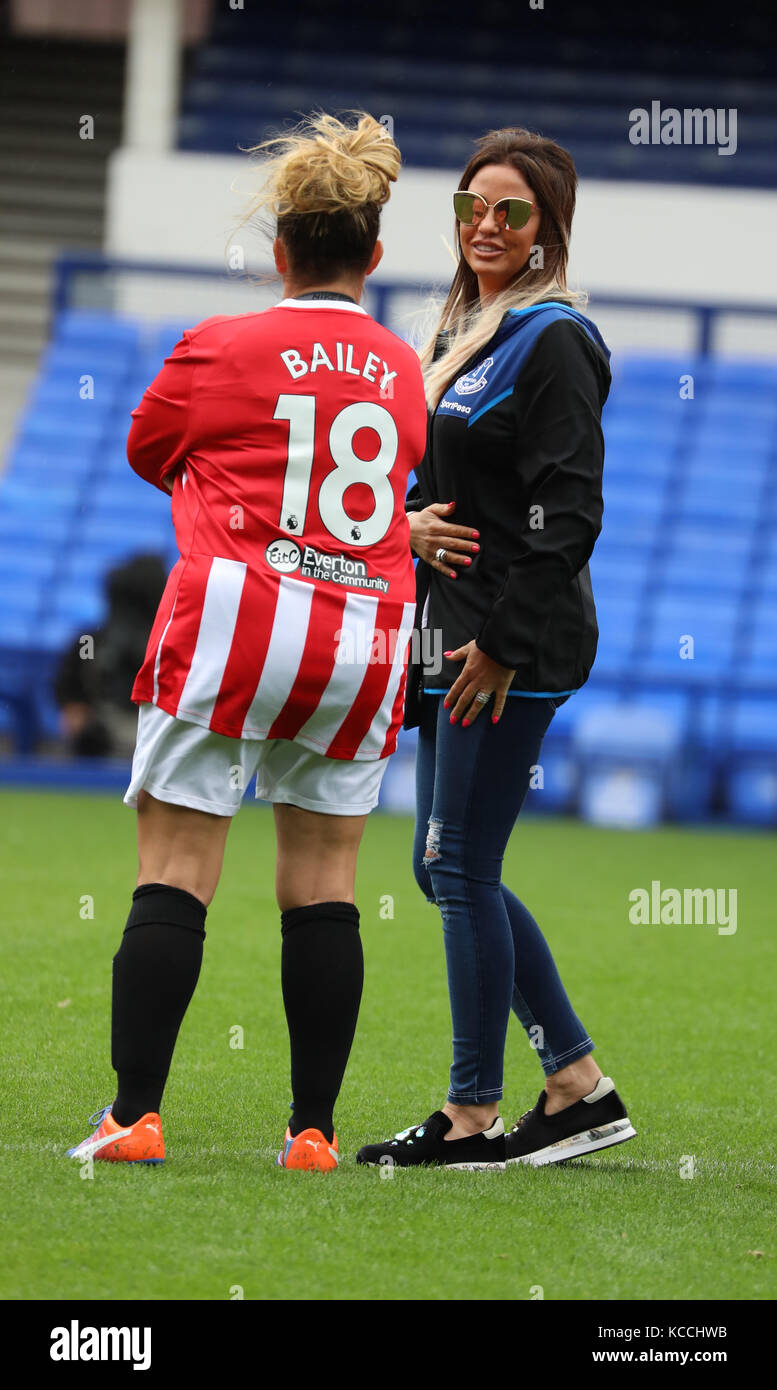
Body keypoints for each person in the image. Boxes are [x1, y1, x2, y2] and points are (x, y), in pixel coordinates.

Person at [67, 112, 427, 1172]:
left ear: (281, 250)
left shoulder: (221, 343)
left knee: (177, 867)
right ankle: (311, 1132)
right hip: (363, 634)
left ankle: (136, 1116)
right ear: (372, 253)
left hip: (237, 624)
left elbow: (149, 449)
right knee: (323, 883)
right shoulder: (403, 368)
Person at [357, 127, 635, 1170]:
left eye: (510, 211)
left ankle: (473, 1117)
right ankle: (574, 1084)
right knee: (446, 869)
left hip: (508, 643)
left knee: (455, 864)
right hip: (454, 629)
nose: (485, 224)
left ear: (548, 227)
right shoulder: (468, 326)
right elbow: (440, 484)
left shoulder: (555, 338)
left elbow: (571, 512)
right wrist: (408, 525)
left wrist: (505, 649)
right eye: (472, 205)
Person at [54, 553, 167, 758]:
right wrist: (79, 713)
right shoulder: (89, 642)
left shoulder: (170, 647)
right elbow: (72, 693)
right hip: (103, 733)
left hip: (157, 734)